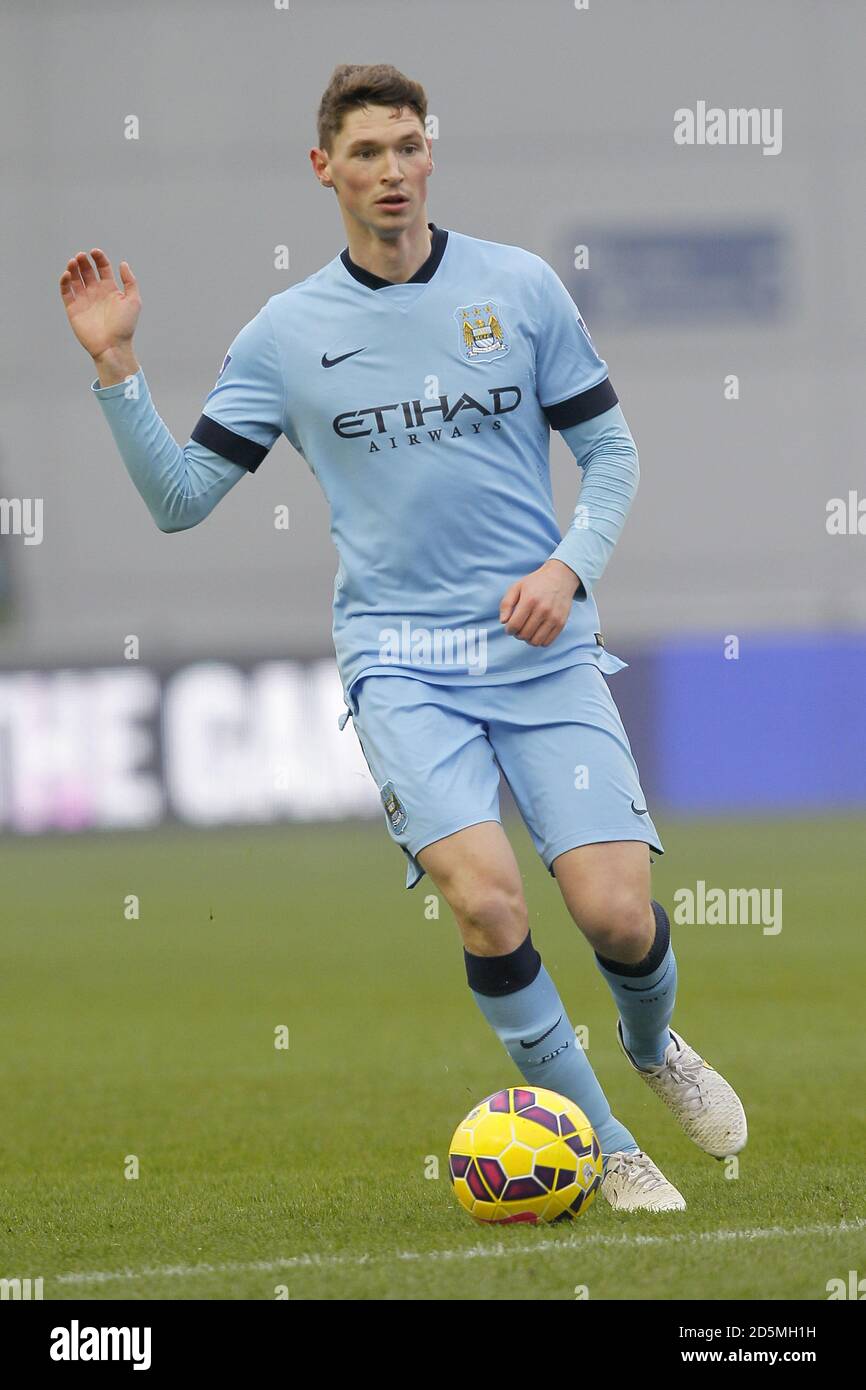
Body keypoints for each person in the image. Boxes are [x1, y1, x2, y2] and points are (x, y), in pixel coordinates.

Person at [60, 62, 746, 1213]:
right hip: (400, 663)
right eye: (366, 153)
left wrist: (566, 565)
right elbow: (181, 498)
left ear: (431, 155)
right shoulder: (286, 335)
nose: (391, 171)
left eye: (407, 147)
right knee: (486, 902)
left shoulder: (517, 289)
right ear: (323, 168)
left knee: (616, 916)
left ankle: (651, 1042)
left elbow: (612, 457)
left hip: (542, 649)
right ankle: (606, 1143)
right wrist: (117, 368)